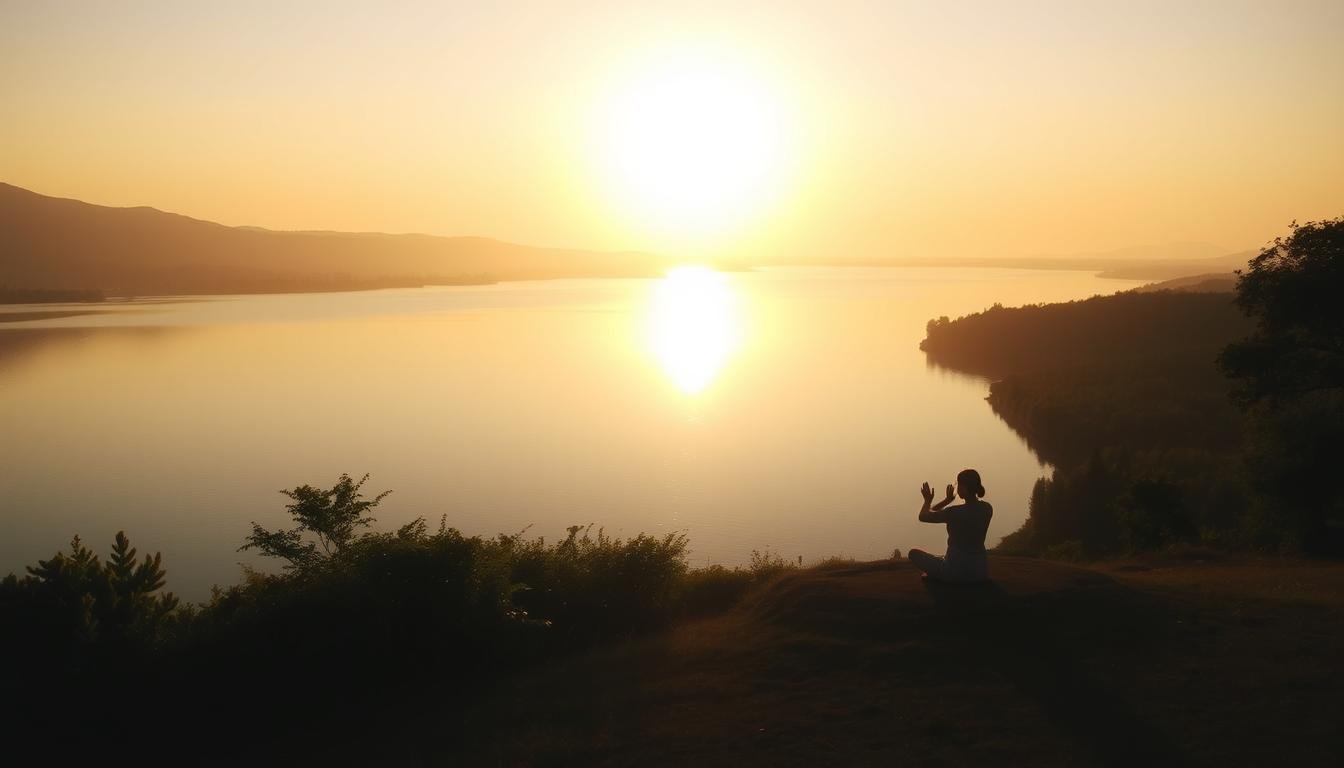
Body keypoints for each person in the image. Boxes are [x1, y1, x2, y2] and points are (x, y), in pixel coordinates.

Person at [907, 469, 993, 583]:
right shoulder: (987, 508)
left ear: (964, 488)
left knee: (913, 554)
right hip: (979, 572)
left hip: (953, 572)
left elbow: (923, 516)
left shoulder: (953, 512)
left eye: (958, 484)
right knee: (943, 557)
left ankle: (937, 574)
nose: (957, 488)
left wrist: (929, 500)